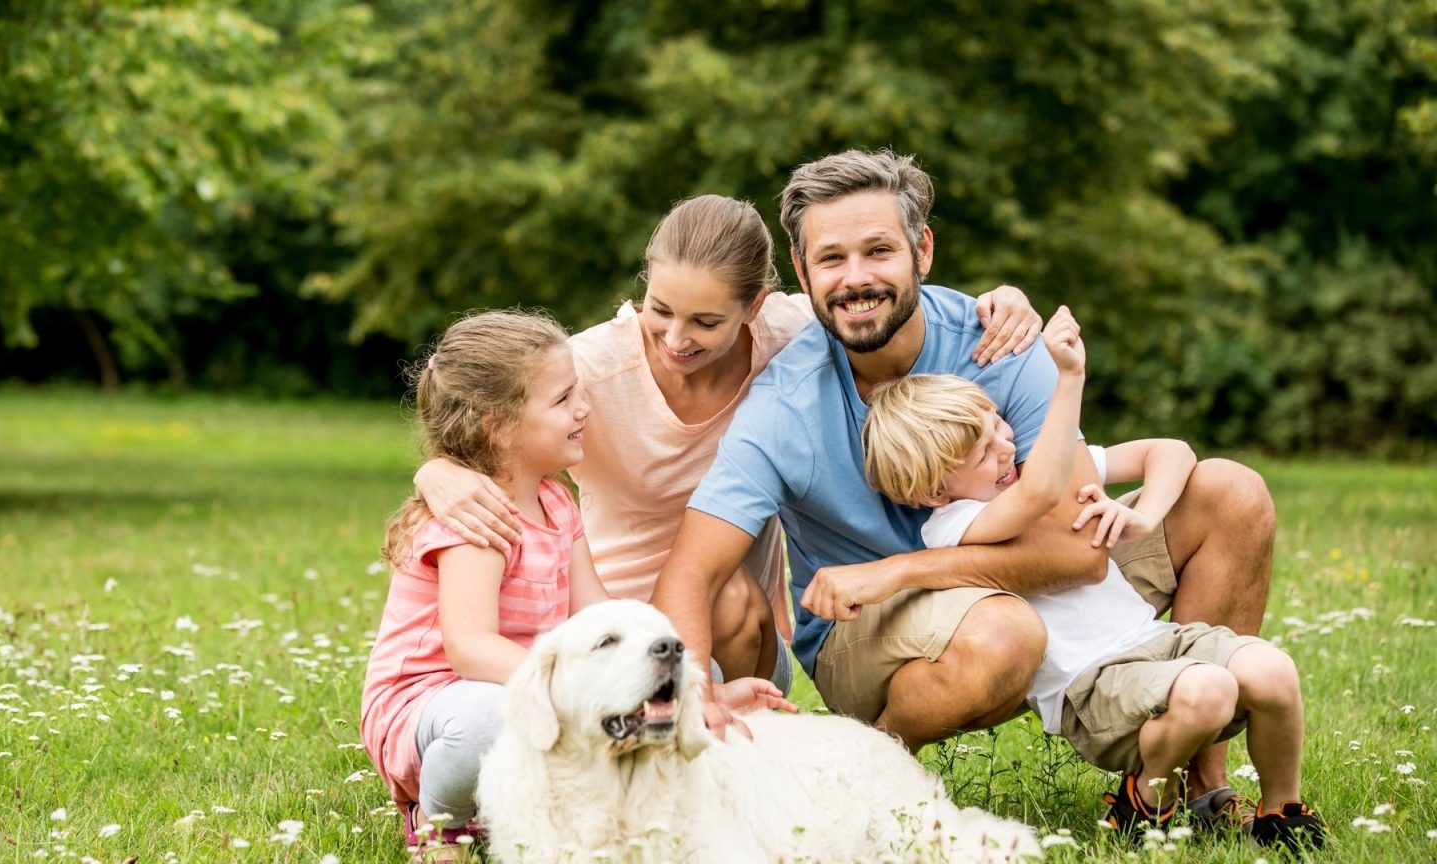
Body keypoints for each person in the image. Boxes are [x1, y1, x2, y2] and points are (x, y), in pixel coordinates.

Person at [650, 149, 1276, 828]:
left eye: (878, 251)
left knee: (1230, 493)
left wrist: (900, 570)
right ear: (802, 272)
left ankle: (1197, 784)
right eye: (830, 259)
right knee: (1004, 630)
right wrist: (693, 694)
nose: (855, 278)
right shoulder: (784, 405)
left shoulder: (1000, 345)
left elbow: (1079, 555)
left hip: (1012, 581)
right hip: (872, 632)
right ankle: (871, 778)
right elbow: (690, 573)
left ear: (922, 250)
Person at [411, 195, 1042, 693]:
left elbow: (878, 293)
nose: (675, 339)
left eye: (706, 322)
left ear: (755, 307)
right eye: (659, 310)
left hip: (741, 630)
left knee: (730, 594)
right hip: (604, 616)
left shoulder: (791, 337)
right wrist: (436, 471)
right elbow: (475, 398)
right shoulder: (588, 370)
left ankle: (736, 741)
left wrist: (1005, 299)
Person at [861, 308, 1325, 851]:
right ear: (934, 492)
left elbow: (1171, 452)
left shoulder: (1028, 473)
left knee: (1275, 672)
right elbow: (1037, 492)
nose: (1008, 448)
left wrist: (1144, 515)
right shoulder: (954, 526)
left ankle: (1282, 814)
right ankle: (1144, 801)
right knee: (1210, 689)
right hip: (1092, 685)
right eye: (984, 454)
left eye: (999, 426)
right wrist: (1068, 380)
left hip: (1157, 641)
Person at [360, 310, 614, 859]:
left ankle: (513, 807)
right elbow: (469, 648)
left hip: (517, 688)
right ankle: (438, 822)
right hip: (431, 707)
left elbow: (597, 617)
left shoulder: (556, 501)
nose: (583, 408)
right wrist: (572, 687)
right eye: (563, 399)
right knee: (485, 721)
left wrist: (661, 671)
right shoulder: (475, 519)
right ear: (497, 425)